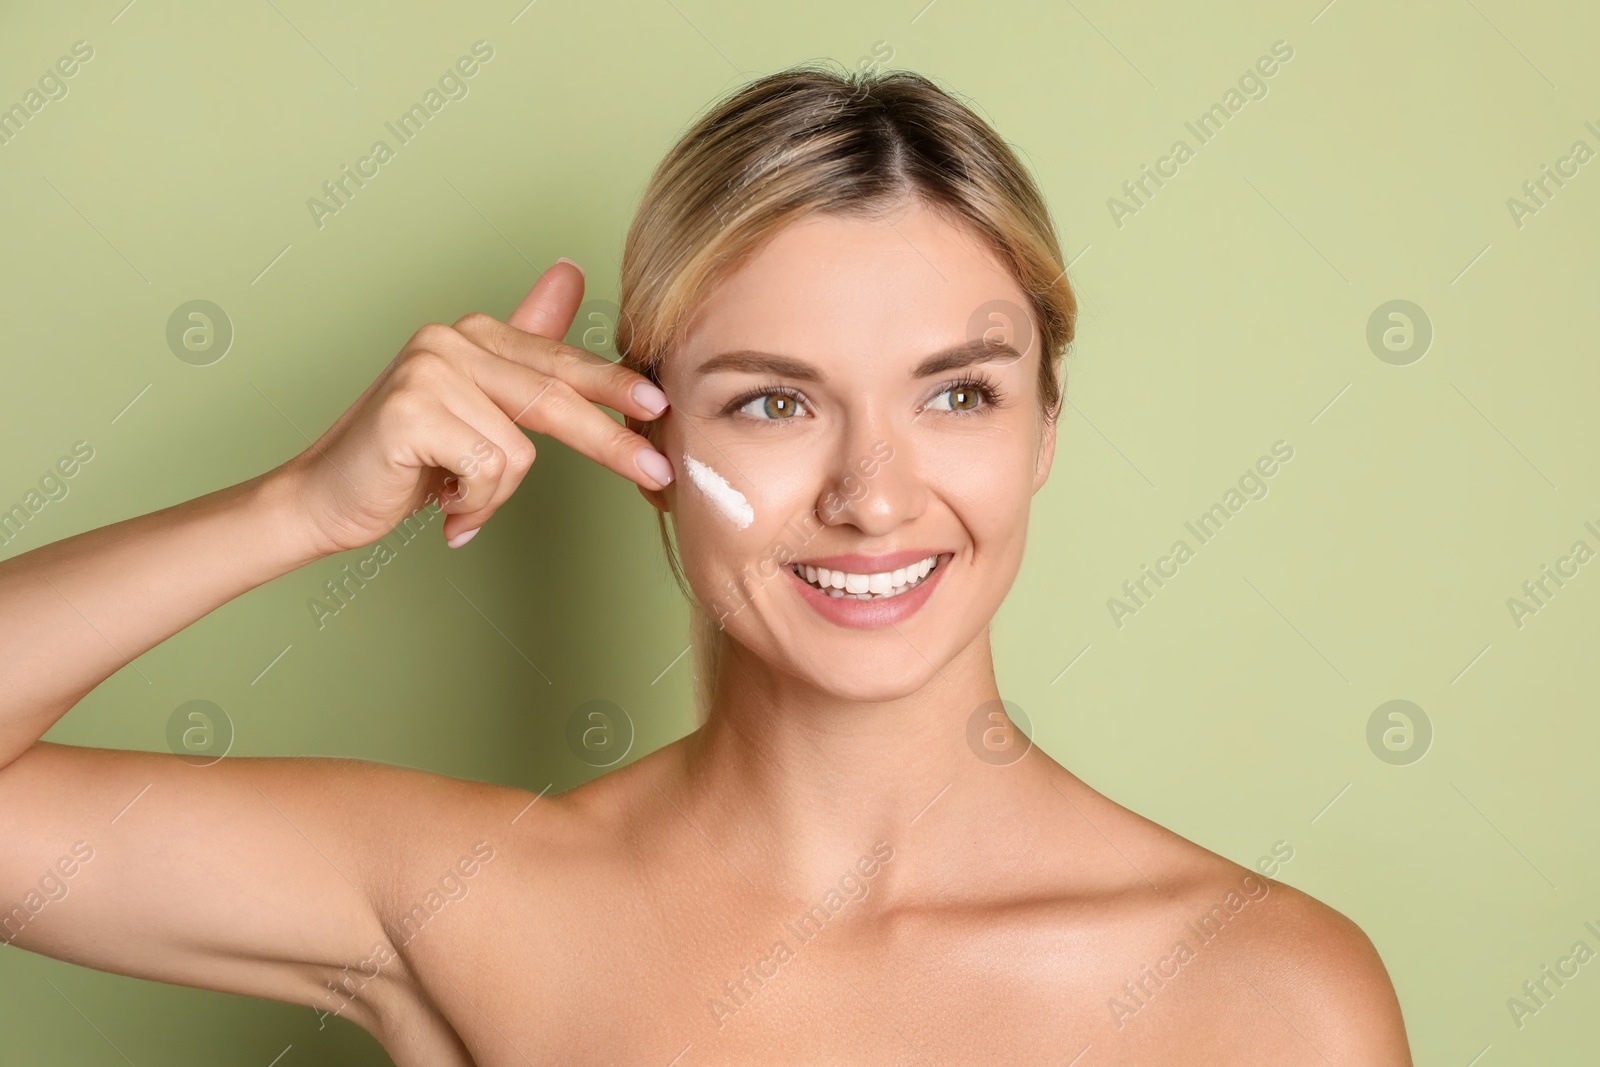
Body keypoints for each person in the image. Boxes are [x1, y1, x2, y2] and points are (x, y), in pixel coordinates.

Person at [0, 65, 1412, 1064]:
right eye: (775, 402)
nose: (873, 496)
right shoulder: (472, 903)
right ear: (637, 430)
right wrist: (300, 509)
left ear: (1046, 426)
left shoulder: (1268, 996)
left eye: (957, 394)